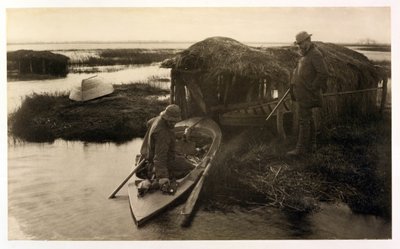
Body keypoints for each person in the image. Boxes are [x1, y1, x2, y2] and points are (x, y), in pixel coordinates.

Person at [287, 31, 328, 156]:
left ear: (308, 40)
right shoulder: (305, 55)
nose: (299, 46)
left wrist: (312, 87)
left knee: (304, 120)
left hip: (308, 94)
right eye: (298, 44)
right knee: (308, 119)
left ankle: (300, 149)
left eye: (301, 43)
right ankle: (312, 145)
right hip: (303, 94)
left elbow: (323, 73)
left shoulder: (315, 54)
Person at [137, 104, 193, 196]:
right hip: (163, 160)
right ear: (166, 118)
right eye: (171, 121)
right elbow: (159, 157)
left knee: (179, 156)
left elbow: (149, 123)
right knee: (191, 167)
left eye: (174, 121)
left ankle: (154, 170)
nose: (173, 124)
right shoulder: (163, 134)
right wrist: (162, 177)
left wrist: (179, 135)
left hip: (147, 155)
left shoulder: (156, 119)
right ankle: (158, 174)